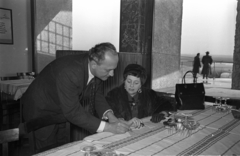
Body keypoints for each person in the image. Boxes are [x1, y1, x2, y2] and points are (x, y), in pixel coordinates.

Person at [22, 42, 133, 150]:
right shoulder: (70, 72)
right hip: (41, 108)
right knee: (48, 150)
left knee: (63, 148)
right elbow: (72, 112)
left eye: (114, 69)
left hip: (61, 108)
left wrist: (111, 117)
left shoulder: (94, 66)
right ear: (94, 64)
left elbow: (96, 94)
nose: (112, 74)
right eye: (108, 70)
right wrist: (109, 127)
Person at [105, 64, 177, 124]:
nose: (131, 85)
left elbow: (168, 104)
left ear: (141, 85)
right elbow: (110, 118)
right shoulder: (113, 95)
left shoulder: (149, 94)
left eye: (136, 83)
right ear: (124, 81)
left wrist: (162, 113)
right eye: (129, 81)